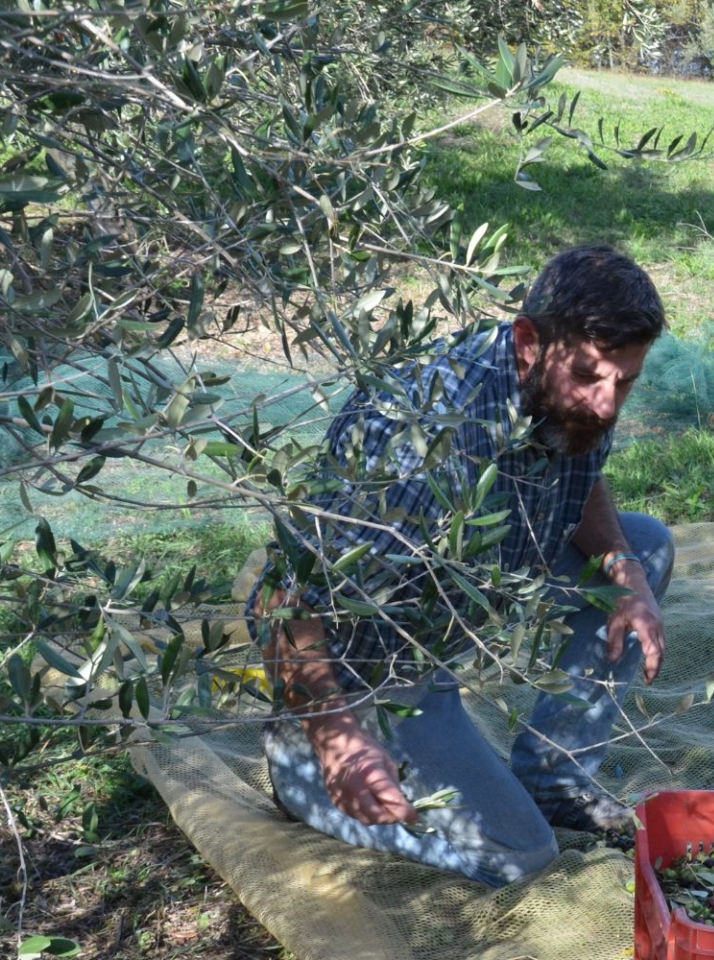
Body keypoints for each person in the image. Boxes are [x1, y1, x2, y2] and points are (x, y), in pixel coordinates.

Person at [251, 245, 675, 886]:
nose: (608, 404)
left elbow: (577, 469)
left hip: (459, 618)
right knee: (517, 855)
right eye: (590, 377)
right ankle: (302, 772)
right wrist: (336, 736)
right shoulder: (419, 439)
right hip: (376, 678)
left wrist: (625, 576)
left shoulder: (571, 388)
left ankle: (556, 777)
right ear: (528, 342)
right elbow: (286, 597)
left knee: (645, 548)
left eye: (626, 382)